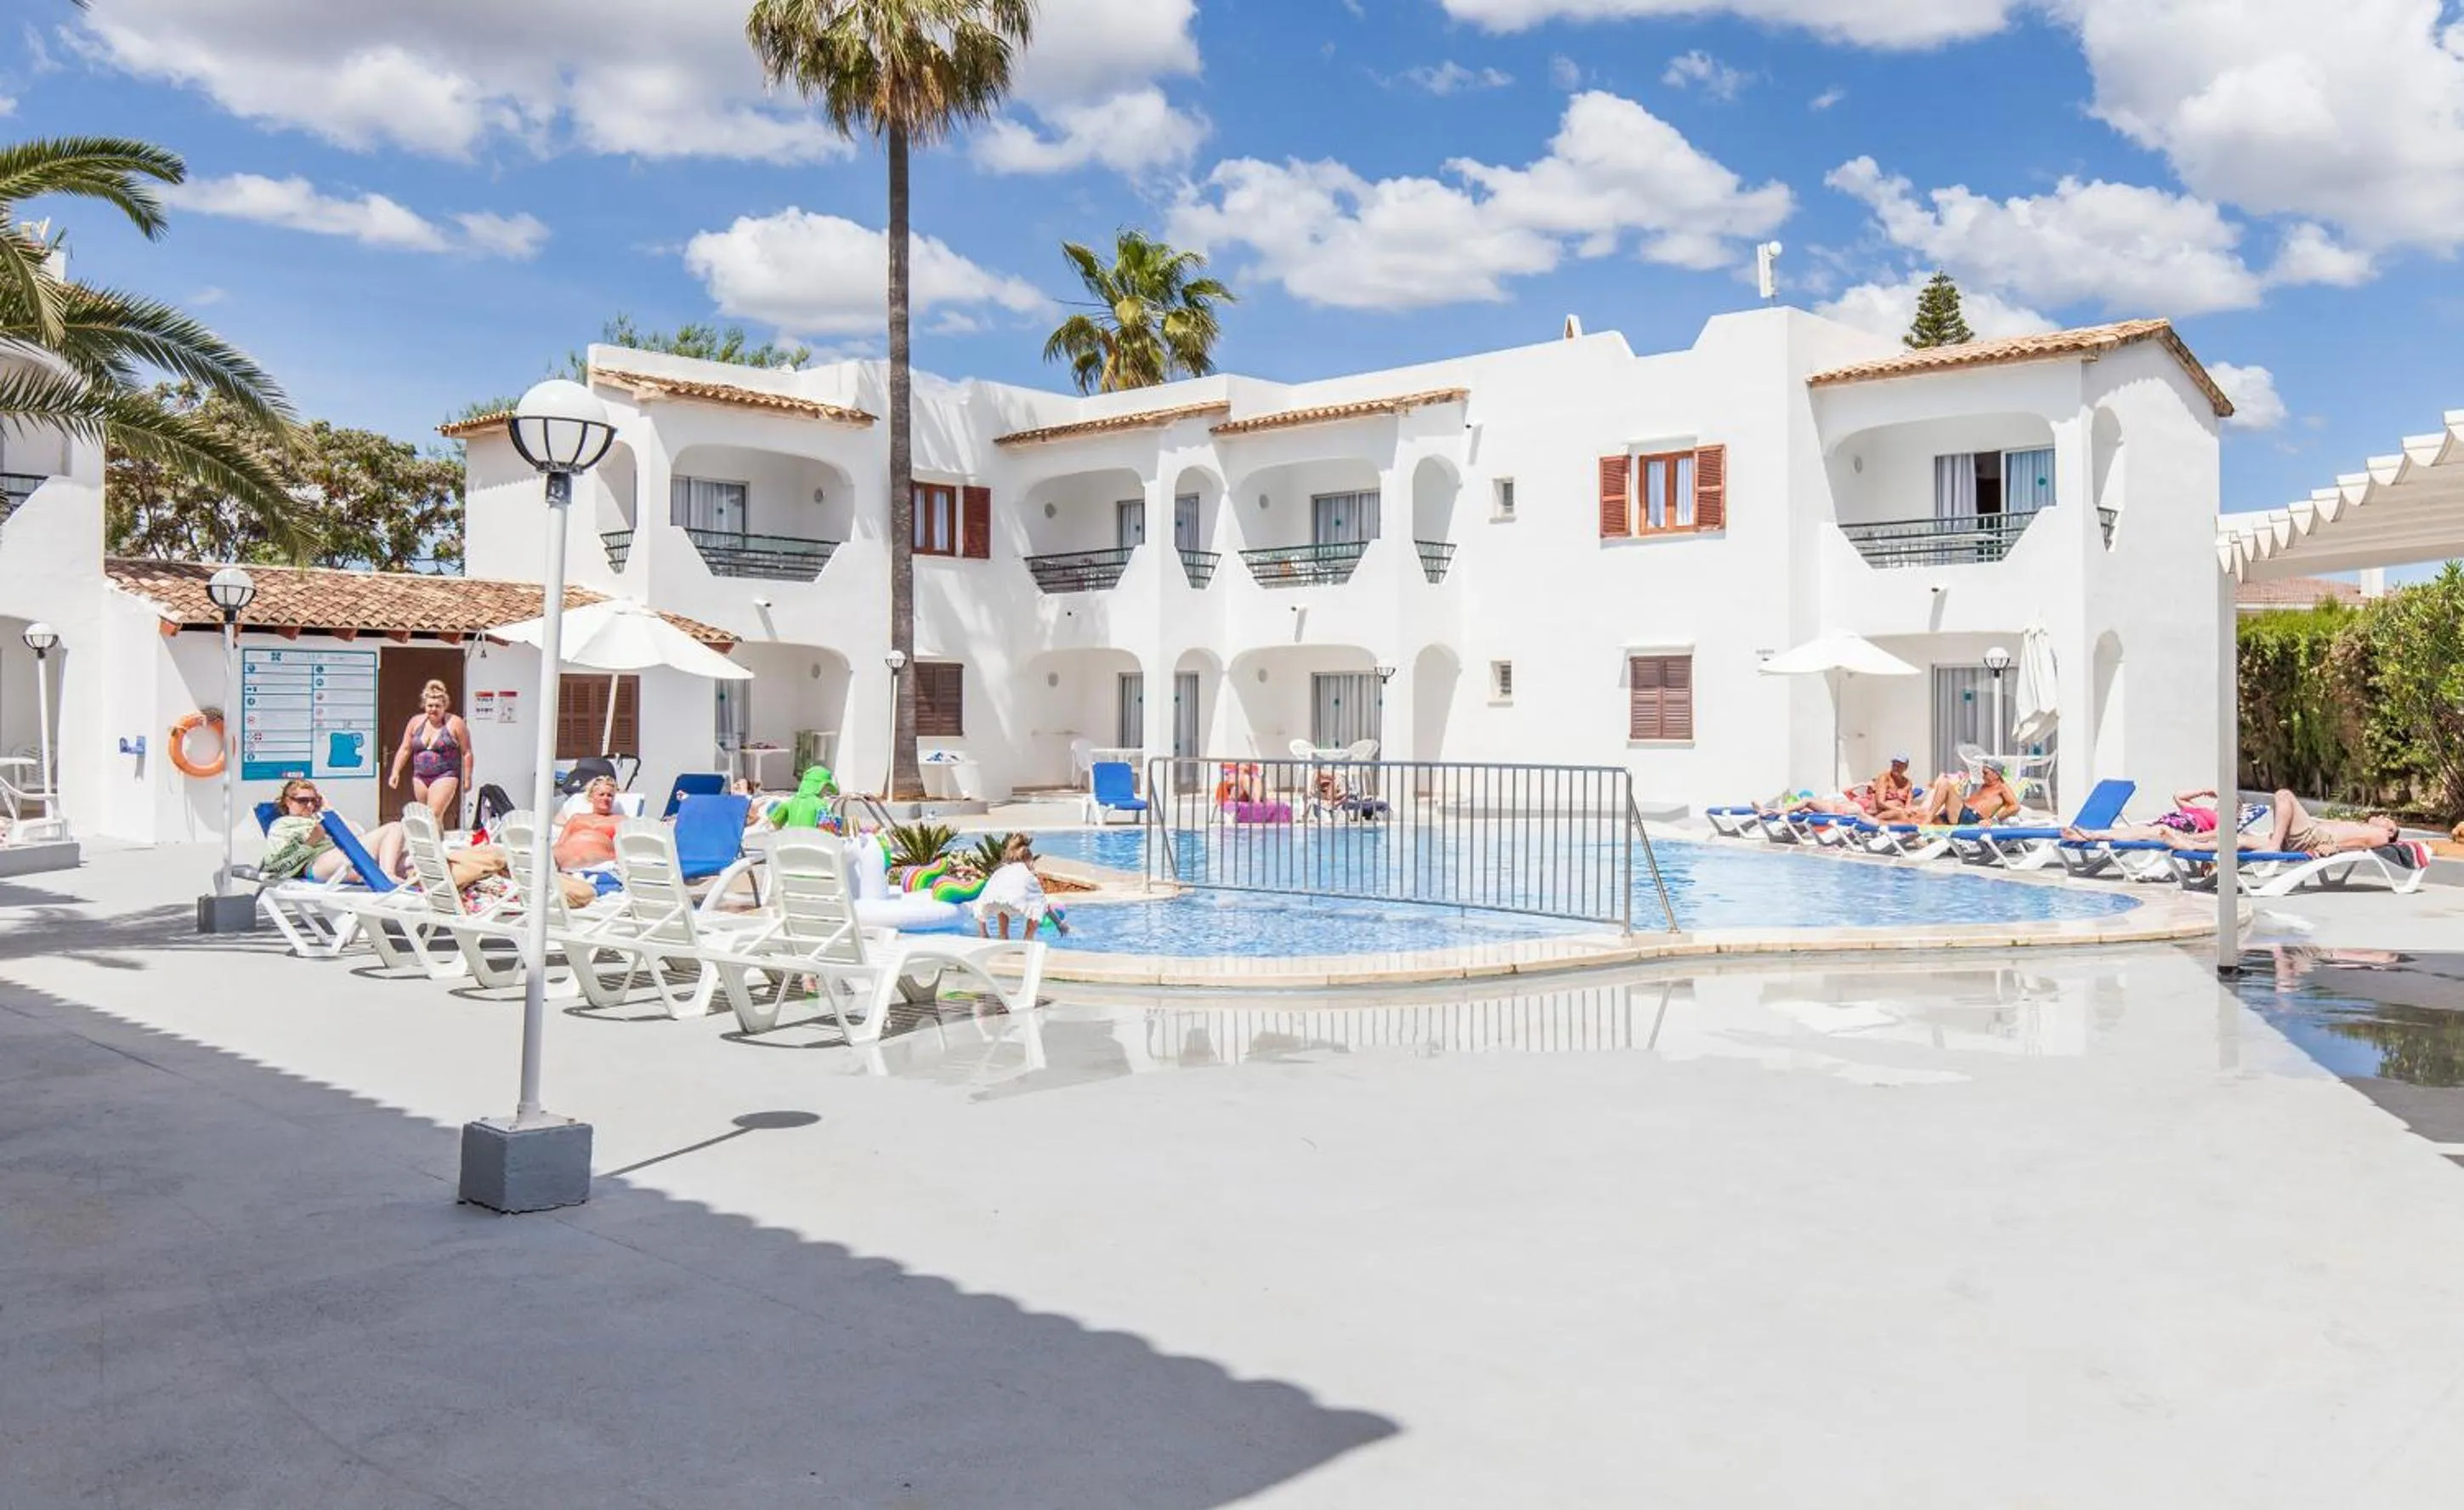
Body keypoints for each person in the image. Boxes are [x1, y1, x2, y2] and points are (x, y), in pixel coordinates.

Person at [2162, 789, 2402, 857]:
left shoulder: (2380, 835)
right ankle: (2191, 845)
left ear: (2390, 831)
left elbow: (2361, 844)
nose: (2382, 817)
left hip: (2315, 839)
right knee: (2239, 840)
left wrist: (2335, 849)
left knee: (2284, 795)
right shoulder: (2367, 826)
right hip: (2309, 834)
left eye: (2387, 819)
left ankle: (2274, 845)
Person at [258, 778, 411, 883]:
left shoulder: (318, 818)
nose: (310, 805)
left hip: (342, 860)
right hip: (317, 864)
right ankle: (387, 875)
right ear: (288, 801)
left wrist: (330, 810)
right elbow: (277, 865)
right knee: (394, 827)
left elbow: (354, 835)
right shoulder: (281, 826)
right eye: (303, 801)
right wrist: (310, 843)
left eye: (314, 800)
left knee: (411, 862)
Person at [388, 680, 473, 829]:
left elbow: (466, 752)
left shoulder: (455, 723)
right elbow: (405, 748)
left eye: (437, 706)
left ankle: (435, 849)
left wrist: (467, 778)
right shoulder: (415, 722)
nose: (433, 709)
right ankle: (436, 847)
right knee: (428, 818)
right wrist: (395, 772)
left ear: (444, 706)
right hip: (420, 776)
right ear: (424, 705)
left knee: (433, 815)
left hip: (445, 774)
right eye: (430, 706)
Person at [2065, 788, 2264, 843]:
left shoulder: (2223, 819)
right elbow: (2178, 796)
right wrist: (2205, 791)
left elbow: (2218, 835)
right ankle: (2090, 835)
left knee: (2135, 834)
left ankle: (2092, 835)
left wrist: (2190, 838)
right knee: (2133, 831)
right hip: (2168, 821)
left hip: (2180, 828)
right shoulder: (2206, 811)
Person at [971, 834, 1070, 940]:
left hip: (995, 894)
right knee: (1036, 907)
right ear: (1029, 860)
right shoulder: (1026, 874)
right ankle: (1028, 938)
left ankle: (992, 935)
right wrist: (1059, 924)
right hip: (1019, 894)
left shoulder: (1002, 871)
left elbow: (984, 897)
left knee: (1002, 903)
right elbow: (1045, 906)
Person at [1913, 762, 2021, 826]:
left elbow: (2016, 806)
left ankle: (1929, 818)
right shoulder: (1985, 786)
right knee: (1918, 819)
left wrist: (1993, 820)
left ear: (1997, 774)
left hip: (1970, 818)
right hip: (1960, 813)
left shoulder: (2002, 787)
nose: (1983, 776)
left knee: (1944, 782)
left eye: (1986, 773)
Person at [552, 775, 623, 870]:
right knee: (551, 855)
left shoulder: (620, 820)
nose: (606, 798)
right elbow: (560, 843)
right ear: (591, 796)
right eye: (601, 794)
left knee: (580, 858)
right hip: (568, 853)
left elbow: (626, 848)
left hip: (596, 856)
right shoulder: (576, 818)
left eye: (610, 795)